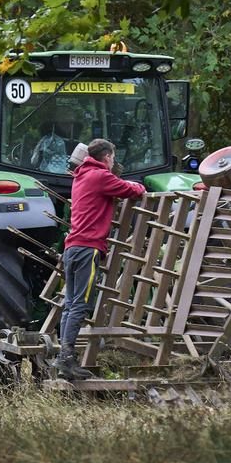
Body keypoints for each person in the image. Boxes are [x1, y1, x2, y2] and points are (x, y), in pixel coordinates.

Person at [56, 139, 145, 381]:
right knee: (80, 305)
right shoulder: (100, 176)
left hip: (72, 248)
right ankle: (67, 359)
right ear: (106, 157)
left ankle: (63, 357)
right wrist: (138, 185)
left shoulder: (81, 176)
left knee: (70, 304)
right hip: (88, 249)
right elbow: (133, 191)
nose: (113, 162)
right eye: (113, 158)